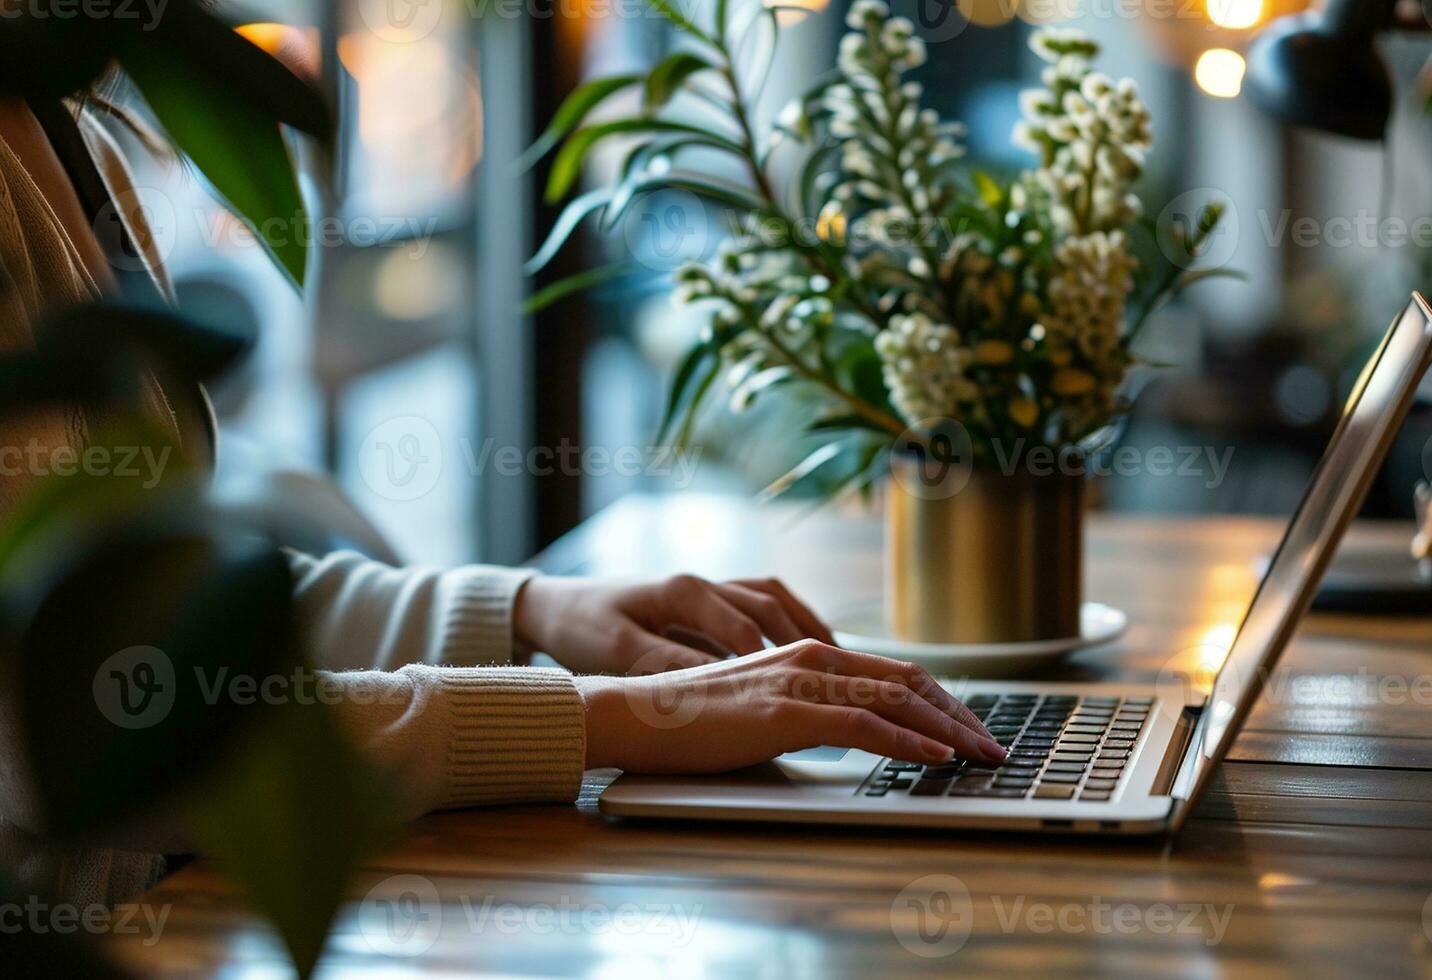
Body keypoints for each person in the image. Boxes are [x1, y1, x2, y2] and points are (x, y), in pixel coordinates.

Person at [0, 95, 1003, 906]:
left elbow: (147, 616)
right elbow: (69, 728)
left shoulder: (62, 119)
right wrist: (603, 716)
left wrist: (531, 610)